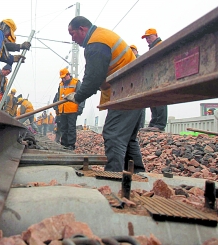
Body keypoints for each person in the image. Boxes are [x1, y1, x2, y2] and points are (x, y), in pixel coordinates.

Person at [64, 16, 145, 173]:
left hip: (125, 92)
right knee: (127, 138)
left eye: (72, 34)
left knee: (113, 134)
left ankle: (114, 176)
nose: (73, 40)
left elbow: (93, 78)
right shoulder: (102, 36)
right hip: (133, 90)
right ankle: (138, 173)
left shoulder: (96, 44)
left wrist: (77, 96)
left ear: (82, 29)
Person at [141, 28, 168, 131]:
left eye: (149, 37)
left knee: (160, 98)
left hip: (161, 75)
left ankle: (160, 125)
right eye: (146, 38)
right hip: (153, 77)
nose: (148, 39)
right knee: (153, 99)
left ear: (156, 35)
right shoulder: (152, 48)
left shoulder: (161, 44)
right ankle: (153, 123)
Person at [53, 68, 85, 150]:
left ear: (68, 75)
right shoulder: (60, 84)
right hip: (63, 109)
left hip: (72, 109)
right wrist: (56, 107)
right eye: (62, 78)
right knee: (64, 128)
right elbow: (58, 96)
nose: (63, 79)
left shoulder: (76, 82)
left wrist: (80, 107)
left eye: (64, 77)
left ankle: (71, 145)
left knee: (71, 128)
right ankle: (64, 144)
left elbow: (82, 95)